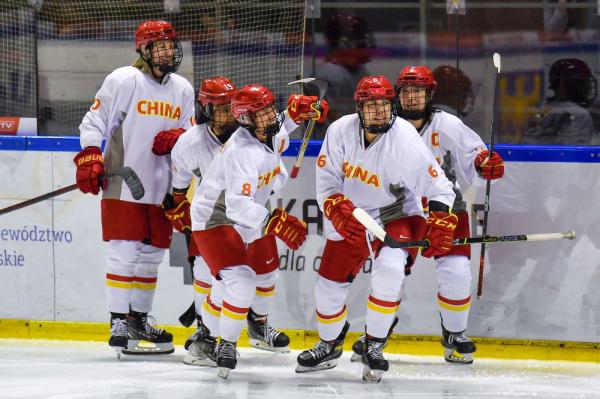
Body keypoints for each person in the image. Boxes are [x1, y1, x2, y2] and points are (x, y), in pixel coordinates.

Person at [296, 76, 457, 383]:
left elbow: (439, 186)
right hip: (352, 213)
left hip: (395, 213)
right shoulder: (340, 130)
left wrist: (439, 219)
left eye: (385, 104)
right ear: (359, 108)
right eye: (372, 105)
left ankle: (374, 345)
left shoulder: (405, 139)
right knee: (328, 289)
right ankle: (329, 343)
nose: (380, 111)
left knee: (390, 271)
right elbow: (328, 180)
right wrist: (333, 206)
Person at [351, 66, 505, 365]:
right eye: (406, 91)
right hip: (401, 208)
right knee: (390, 271)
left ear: (429, 94)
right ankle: (376, 337)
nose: (411, 97)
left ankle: (455, 334)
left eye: (417, 91)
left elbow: (476, 156)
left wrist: (486, 165)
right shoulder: (385, 126)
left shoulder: (447, 124)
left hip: (447, 208)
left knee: (457, 271)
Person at [74, 20, 195, 358]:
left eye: (171, 45)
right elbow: (94, 122)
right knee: (124, 251)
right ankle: (117, 320)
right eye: (160, 46)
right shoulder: (124, 80)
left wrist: (181, 139)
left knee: (151, 256)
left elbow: (193, 135)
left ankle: (138, 320)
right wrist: (89, 155)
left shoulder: (183, 88)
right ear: (144, 50)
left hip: (162, 186)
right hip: (123, 180)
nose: (168, 52)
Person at [190, 84, 328, 378]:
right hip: (216, 219)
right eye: (261, 113)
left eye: (270, 108)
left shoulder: (268, 128)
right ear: (245, 119)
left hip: (247, 217)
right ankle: (219, 342)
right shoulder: (242, 151)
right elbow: (237, 204)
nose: (269, 116)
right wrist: (272, 222)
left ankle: (244, 329)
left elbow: (281, 126)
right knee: (240, 283)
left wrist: (296, 113)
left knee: (264, 274)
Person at [311, 13, 375, 139]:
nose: (365, 43)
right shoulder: (326, 75)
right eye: (359, 39)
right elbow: (337, 120)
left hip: (356, 144)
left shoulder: (360, 71)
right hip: (328, 147)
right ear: (343, 44)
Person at [523, 58, 597, 145]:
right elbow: (571, 153)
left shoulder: (543, 110)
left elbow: (527, 143)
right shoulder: (580, 114)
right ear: (569, 84)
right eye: (583, 83)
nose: (587, 88)